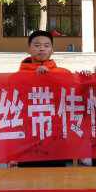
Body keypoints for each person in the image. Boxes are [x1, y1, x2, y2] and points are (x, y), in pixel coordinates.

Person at [16, 30, 71, 168]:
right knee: (28, 177)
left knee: (56, 175)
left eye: (46, 45)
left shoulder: (64, 74)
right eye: (37, 45)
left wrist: (51, 78)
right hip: (27, 138)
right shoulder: (17, 77)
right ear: (29, 49)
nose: (42, 48)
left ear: (52, 50)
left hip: (56, 136)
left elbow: (73, 99)